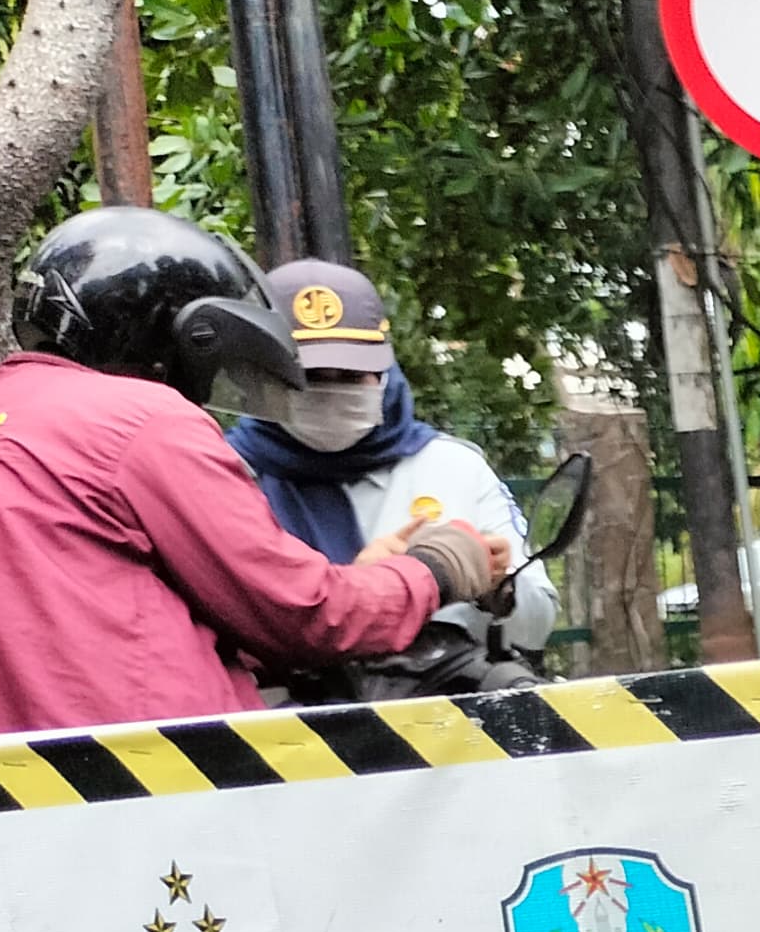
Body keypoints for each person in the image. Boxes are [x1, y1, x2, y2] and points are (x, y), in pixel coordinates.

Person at [0, 211, 512, 751]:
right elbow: (303, 614)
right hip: (137, 795)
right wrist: (436, 568)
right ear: (175, 338)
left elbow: (63, 629)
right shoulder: (139, 419)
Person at [224, 258, 556, 698]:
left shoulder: (452, 466)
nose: (329, 392)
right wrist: (361, 588)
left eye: (349, 376)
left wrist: (498, 593)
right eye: (307, 378)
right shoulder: (226, 476)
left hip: (450, 734)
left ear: (383, 368)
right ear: (265, 375)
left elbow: (538, 624)